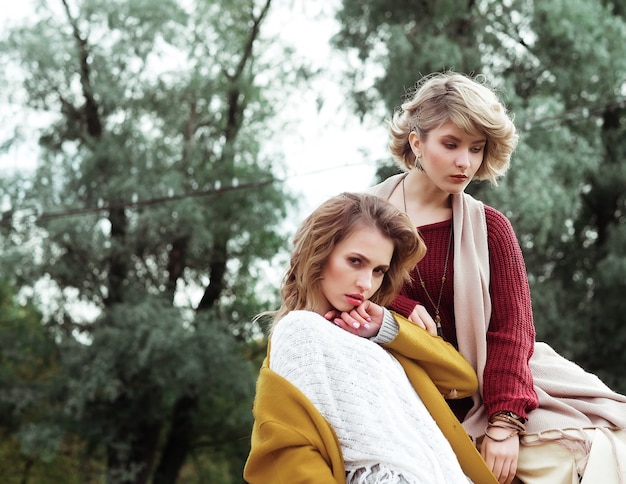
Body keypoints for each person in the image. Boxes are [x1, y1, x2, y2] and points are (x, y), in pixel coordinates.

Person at [367, 71, 626, 484]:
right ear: (417, 142)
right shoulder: (361, 216)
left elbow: (512, 330)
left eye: (476, 148)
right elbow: (325, 286)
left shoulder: (491, 227)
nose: (464, 162)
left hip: (501, 384)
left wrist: (504, 423)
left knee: (590, 455)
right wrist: (400, 307)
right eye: (450, 145)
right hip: (406, 392)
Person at [243, 192, 500, 483]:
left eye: (379, 270)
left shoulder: (378, 333)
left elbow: (462, 379)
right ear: (319, 253)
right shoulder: (298, 332)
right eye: (355, 261)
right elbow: (292, 453)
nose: (366, 284)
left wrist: (387, 329)